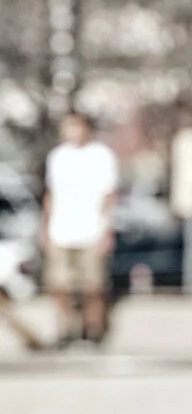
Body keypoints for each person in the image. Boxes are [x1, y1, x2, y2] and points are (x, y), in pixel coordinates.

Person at [43, 112, 118, 348]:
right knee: (59, 283)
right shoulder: (57, 157)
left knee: (93, 286)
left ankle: (93, 328)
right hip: (61, 229)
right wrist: (45, 226)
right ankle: (66, 327)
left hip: (91, 229)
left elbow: (110, 195)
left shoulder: (101, 156)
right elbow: (51, 194)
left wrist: (107, 229)